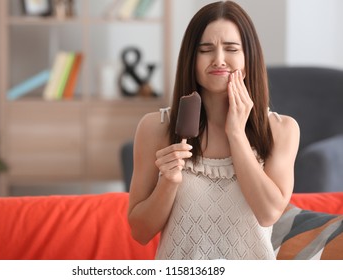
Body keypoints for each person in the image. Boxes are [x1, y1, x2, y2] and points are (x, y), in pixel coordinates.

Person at [127, 1, 300, 260]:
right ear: (191, 59)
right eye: (206, 50)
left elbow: (268, 213)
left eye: (231, 48)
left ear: (248, 59)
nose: (219, 60)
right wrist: (168, 182)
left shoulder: (282, 129)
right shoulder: (156, 128)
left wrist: (236, 134)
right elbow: (140, 232)